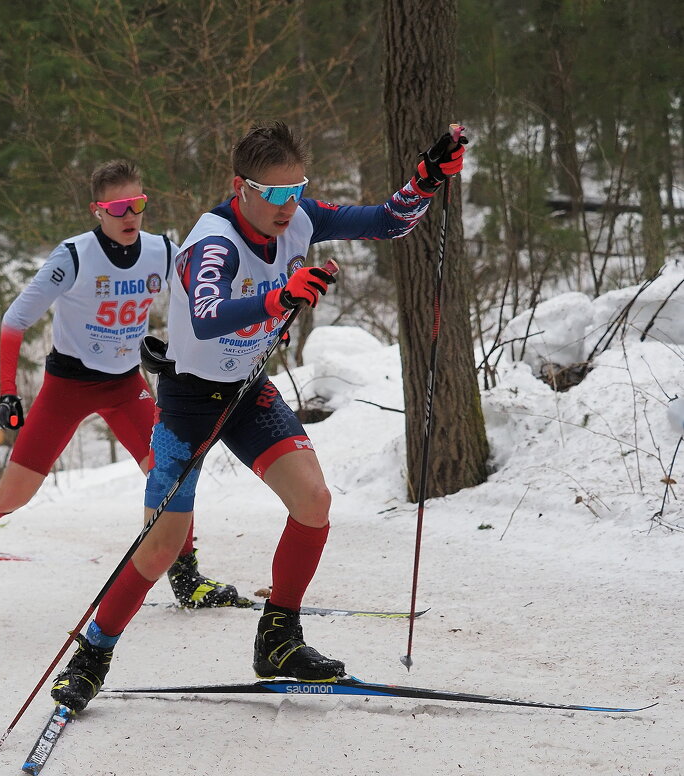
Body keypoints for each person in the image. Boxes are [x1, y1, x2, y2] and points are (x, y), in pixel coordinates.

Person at [46, 121, 467, 712]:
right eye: (272, 193)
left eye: (296, 189)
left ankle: (279, 638)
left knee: (313, 501)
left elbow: (387, 223)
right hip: (191, 400)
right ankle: (92, 654)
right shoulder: (210, 241)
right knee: (162, 544)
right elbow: (210, 312)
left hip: (246, 391)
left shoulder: (297, 215)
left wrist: (423, 182)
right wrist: (281, 295)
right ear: (239, 187)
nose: (286, 204)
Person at [0, 159, 245, 605]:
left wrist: (248, 321)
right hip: (69, 386)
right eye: (118, 208)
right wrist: (7, 391)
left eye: (137, 204)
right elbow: (14, 320)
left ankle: (186, 576)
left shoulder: (164, 251)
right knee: (14, 493)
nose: (130, 216)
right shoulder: (74, 255)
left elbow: (207, 297)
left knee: (169, 473)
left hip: (125, 383)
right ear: (97, 210)